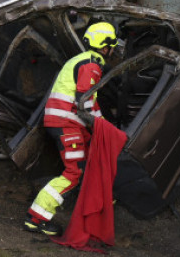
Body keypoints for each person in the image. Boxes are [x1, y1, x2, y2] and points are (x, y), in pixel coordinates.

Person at [24, 21, 119, 236]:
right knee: (73, 173)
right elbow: (85, 100)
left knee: (85, 164)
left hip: (65, 121)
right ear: (105, 46)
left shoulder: (81, 59)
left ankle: (100, 201)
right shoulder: (92, 64)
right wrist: (102, 125)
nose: (113, 49)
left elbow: (88, 102)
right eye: (112, 44)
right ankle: (35, 218)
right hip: (67, 124)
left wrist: (99, 123)